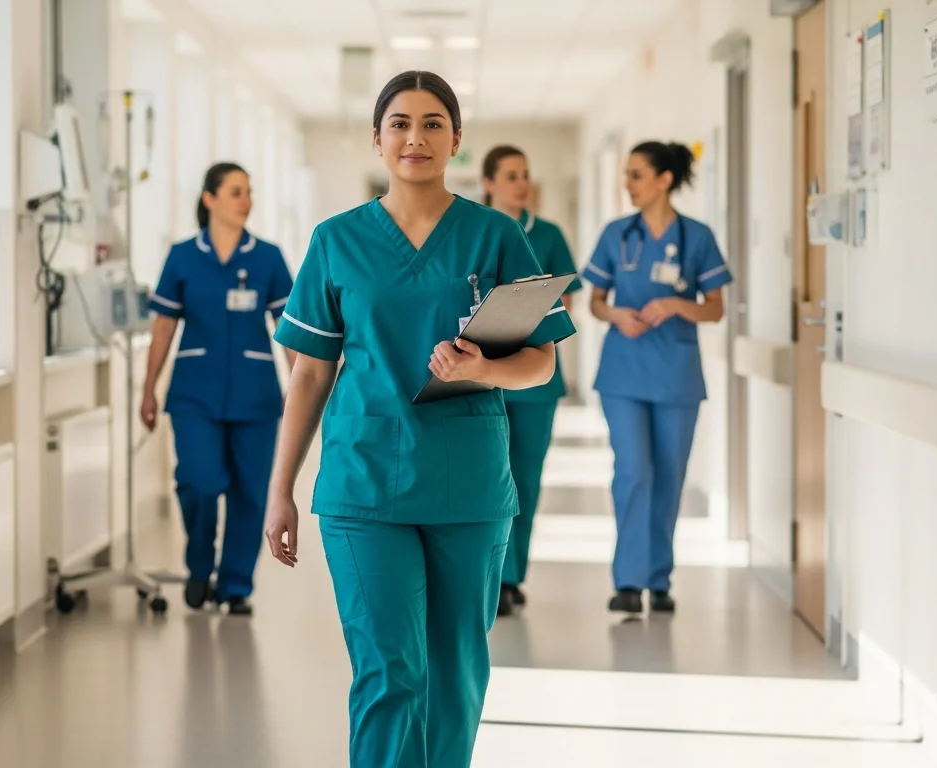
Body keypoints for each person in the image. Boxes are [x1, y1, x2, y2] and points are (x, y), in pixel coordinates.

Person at [264, 71, 576, 768]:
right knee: (389, 672)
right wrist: (279, 487)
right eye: (400, 123)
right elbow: (310, 371)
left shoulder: (494, 236)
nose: (416, 137)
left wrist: (482, 369)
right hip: (363, 480)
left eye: (434, 123)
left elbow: (541, 362)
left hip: (465, 482)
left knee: (456, 674)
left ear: (457, 140)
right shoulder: (336, 240)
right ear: (377, 139)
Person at [581, 141, 733, 616]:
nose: (627, 183)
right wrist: (614, 314)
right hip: (624, 373)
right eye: (627, 174)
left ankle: (659, 578)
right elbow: (594, 300)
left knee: (669, 477)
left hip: (677, 377)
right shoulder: (616, 234)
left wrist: (675, 305)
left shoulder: (698, 237)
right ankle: (628, 580)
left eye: (637, 174)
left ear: (665, 179)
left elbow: (715, 309)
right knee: (633, 472)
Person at [140, 161, 295, 616]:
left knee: (250, 491)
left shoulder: (267, 257)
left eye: (248, 192)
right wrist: (147, 389)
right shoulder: (183, 256)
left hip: (256, 394)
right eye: (235, 192)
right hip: (193, 393)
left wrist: (301, 386)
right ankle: (199, 565)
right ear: (209, 199)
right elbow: (163, 327)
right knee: (199, 481)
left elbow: (288, 326)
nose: (246, 201)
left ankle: (234, 586)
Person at [479, 145, 583, 617]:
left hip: (537, 381)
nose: (521, 184)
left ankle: (511, 576)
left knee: (525, 479)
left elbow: (568, 303)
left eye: (526, 174)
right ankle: (488, 574)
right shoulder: (475, 231)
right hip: (483, 377)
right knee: (486, 480)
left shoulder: (550, 235)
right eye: (511, 175)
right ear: (489, 183)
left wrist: (525, 322)